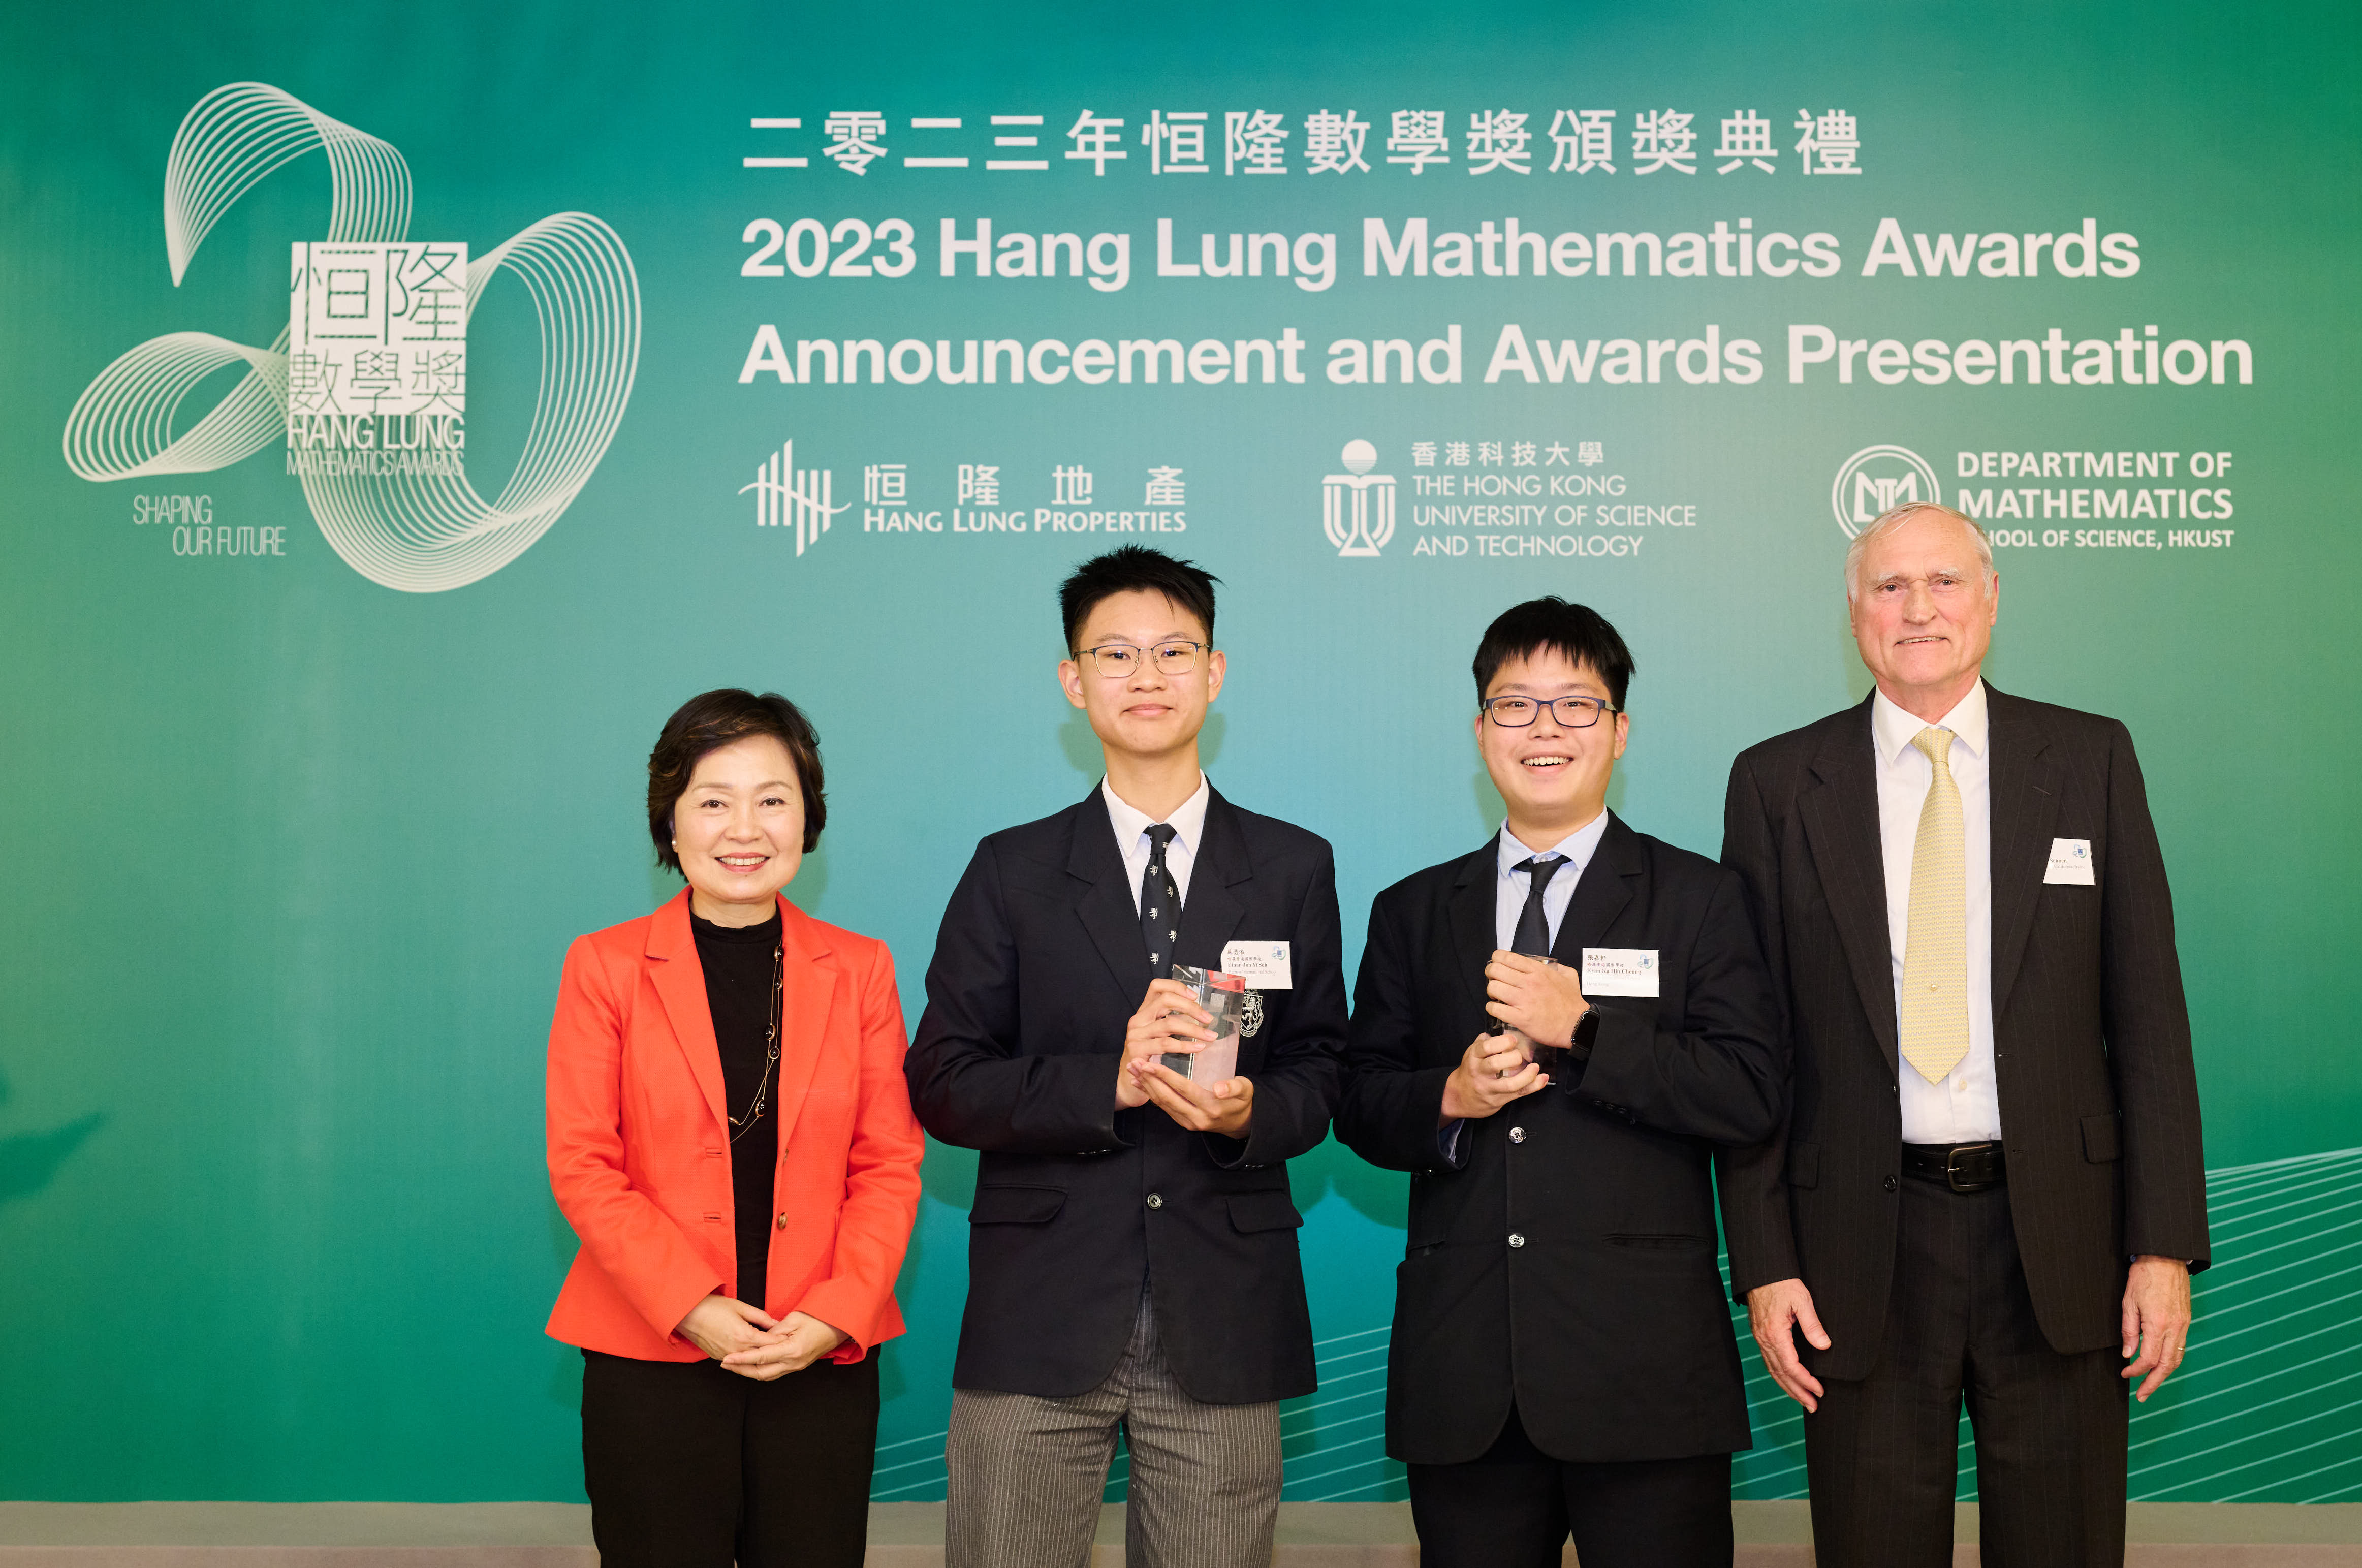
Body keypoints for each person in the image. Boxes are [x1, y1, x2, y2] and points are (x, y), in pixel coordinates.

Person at [1718, 503, 2210, 1568]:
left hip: (2064, 1247)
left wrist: (2161, 1243)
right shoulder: (1776, 785)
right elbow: (1758, 1051)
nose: (1918, 610)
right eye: (1890, 587)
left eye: (1943, 582)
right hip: (1858, 1252)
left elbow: (2150, 1022)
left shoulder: (2088, 758)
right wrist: (1763, 1261)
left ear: (1990, 601)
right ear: (1854, 615)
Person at [906, 546, 1348, 1568]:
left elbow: (1325, 1066)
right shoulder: (1012, 868)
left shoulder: (1290, 865)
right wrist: (1102, 1079)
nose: (1145, 676)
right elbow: (942, 1077)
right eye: (1116, 653)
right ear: (1074, 680)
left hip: (1224, 1314)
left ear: (1215, 671)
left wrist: (1248, 1114)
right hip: (1040, 1310)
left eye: (1171, 651)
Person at [1337, 598, 1785, 1568]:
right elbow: (1360, 1096)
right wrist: (1449, 1096)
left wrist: (1583, 1029)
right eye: (1516, 705)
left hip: (1647, 1375)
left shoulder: (1700, 897)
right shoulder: (1414, 909)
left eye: (1576, 705)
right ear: (1480, 730)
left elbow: (1750, 1090)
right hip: (1466, 1380)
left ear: (1620, 731)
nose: (1545, 730)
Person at [545, 689, 926, 1567]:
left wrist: (835, 1314)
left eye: (773, 798)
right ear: (670, 823)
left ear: (808, 819)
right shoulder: (604, 965)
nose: (744, 827)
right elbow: (583, 1163)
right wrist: (694, 1308)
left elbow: (889, 1162)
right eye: (714, 800)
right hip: (653, 1352)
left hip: (818, 1356)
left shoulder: (862, 968)